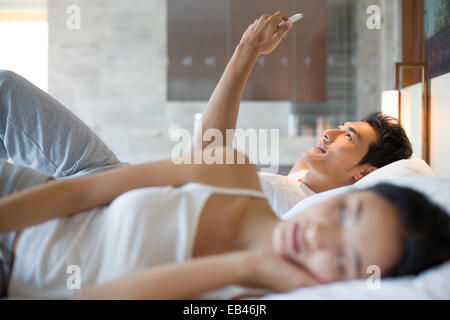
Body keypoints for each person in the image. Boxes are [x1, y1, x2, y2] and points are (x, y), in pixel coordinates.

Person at [1, 145, 450, 299]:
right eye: (347, 213)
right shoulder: (229, 168)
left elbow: (91, 297)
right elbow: (84, 189)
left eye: (345, 258)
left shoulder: (245, 297)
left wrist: (246, 268)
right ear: (353, 192)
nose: (317, 234)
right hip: (18, 199)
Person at [193, 11, 413, 216]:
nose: (328, 133)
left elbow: (203, 162)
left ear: (364, 173)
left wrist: (247, 48)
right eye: (341, 127)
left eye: (348, 136)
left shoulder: (284, 202)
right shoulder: (307, 183)